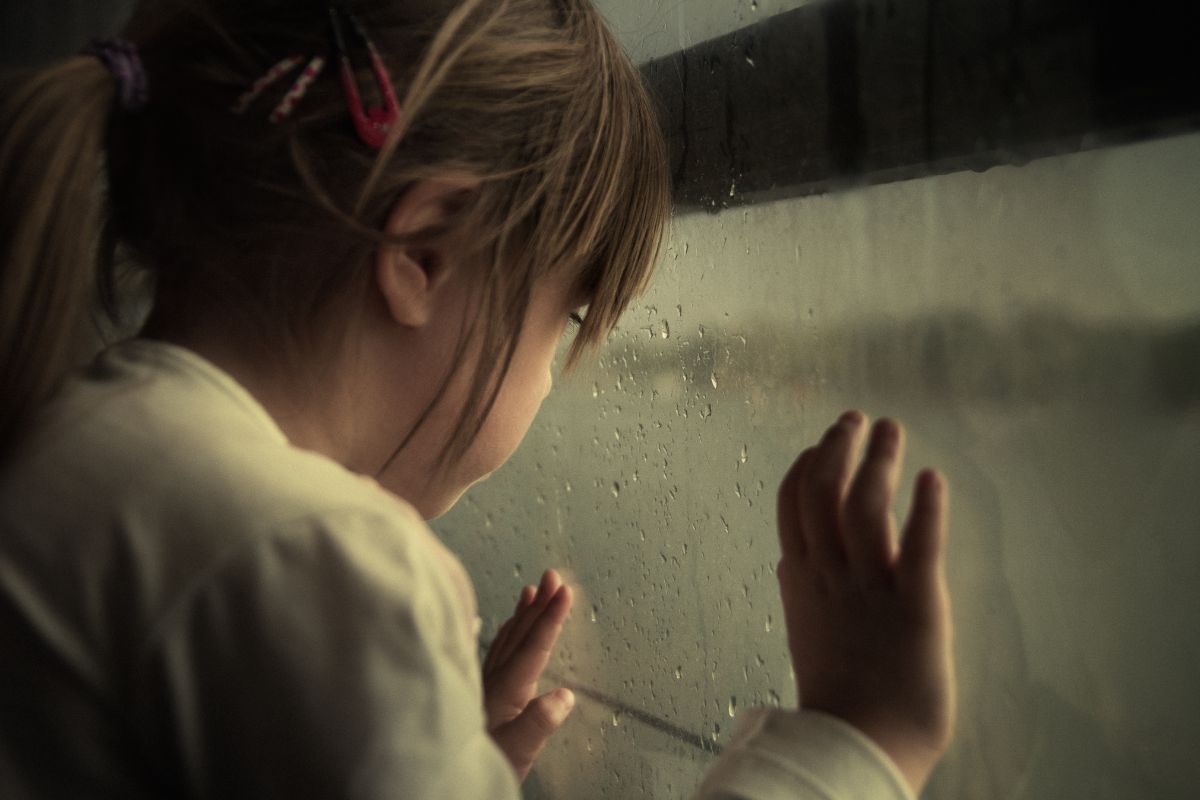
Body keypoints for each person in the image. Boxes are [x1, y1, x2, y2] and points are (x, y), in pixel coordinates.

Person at [0, 0, 955, 797]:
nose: (547, 379)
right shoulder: (314, 559)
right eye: (561, 323)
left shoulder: (71, 441)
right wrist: (852, 740)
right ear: (424, 253)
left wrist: (428, 754)